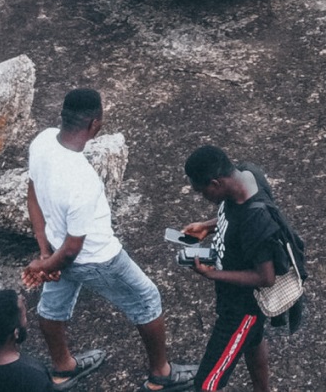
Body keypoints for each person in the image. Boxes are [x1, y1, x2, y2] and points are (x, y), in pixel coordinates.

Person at [21, 88, 178, 391]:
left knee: (53, 307)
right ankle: (161, 375)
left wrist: (43, 252)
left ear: (62, 115)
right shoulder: (82, 179)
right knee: (147, 299)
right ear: (95, 125)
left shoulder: (41, 141)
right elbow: (72, 251)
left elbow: (33, 195)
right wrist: (43, 266)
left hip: (54, 245)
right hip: (96, 257)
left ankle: (63, 368)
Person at [179, 145, 297, 392]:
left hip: (243, 310)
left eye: (203, 192)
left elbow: (266, 277)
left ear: (215, 183)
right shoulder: (245, 173)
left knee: (206, 383)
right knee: (253, 344)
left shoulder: (255, 221)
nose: (204, 198)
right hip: (234, 301)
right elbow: (233, 218)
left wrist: (212, 274)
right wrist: (208, 226)